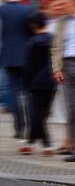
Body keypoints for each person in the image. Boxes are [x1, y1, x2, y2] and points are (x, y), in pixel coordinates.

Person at [0, 0, 35, 141]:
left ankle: (19, 127)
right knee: (29, 93)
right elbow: (33, 34)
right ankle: (31, 126)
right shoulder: (29, 10)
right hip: (27, 57)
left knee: (13, 92)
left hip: (8, 57)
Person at [23, 12, 56, 155]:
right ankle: (30, 142)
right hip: (52, 81)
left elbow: (29, 65)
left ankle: (46, 144)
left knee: (38, 114)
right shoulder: (53, 39)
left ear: (33, 25)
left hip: (36, 82)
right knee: (43, 113)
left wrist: (26, 82)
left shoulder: (31, 43)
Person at [49, 0, 75, 160]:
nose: (61, 6)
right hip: (66, 66)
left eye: (64, 3)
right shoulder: (61, 22)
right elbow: (56, 47)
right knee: (71, 110)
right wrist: (57, 68)